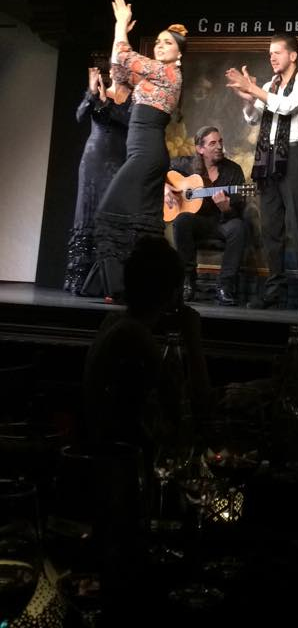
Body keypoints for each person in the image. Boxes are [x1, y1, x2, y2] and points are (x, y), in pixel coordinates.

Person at [82, 0, 186, 300]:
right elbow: (119, 71)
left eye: (167, 43)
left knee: (108, 214)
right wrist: (121, 33)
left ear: (179, 53)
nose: (160, 45)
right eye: (158, 42)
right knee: (143, 227)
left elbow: (125, 56)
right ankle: (154, 287)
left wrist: (120, 25)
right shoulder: (154, 72)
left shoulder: (170, 73)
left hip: (147, 154)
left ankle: (118, 287)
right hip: (143, 153)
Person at [83, 235, 211, 456]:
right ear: (173, 294)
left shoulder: (115, 323)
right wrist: (193, 342)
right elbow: (191, 413)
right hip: (126, 467)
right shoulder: (135, 336)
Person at [226, 33, 298, 312]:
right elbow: (253, 117)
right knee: (271, 227)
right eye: (270, 53)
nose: (272, 57)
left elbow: (286, 107)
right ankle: (274, 291)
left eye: (277, 52)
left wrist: (254, 91)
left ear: (293, 55)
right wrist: (245, 97)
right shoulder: (270, 84)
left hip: (292, 155)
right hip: (267, 156)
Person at [64, 64, 132, 294]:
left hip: (117, 162)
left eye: (120, 71)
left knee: (110, 217)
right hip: (93, 159)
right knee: (86, 214)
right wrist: (92, 93)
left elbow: (128, 121)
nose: (114, 74)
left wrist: (105, 102)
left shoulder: (135, 99)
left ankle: (107, 282)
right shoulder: (99, 94)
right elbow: (80, 114)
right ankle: (78, 279)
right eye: (112, 71)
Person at [166, 125, 248, 306]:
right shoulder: (184, 165)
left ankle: (225, 286)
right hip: (197, 222)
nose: (219, 146)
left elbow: (240, 209)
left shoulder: (233, 170)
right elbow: (161, 170)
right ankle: (188, 281)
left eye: (220, 142)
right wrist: (165, 187)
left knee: (238, 228)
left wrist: (226, 208)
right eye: (212, 143)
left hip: (221, 222)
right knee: (182, 220)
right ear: (200, 149)